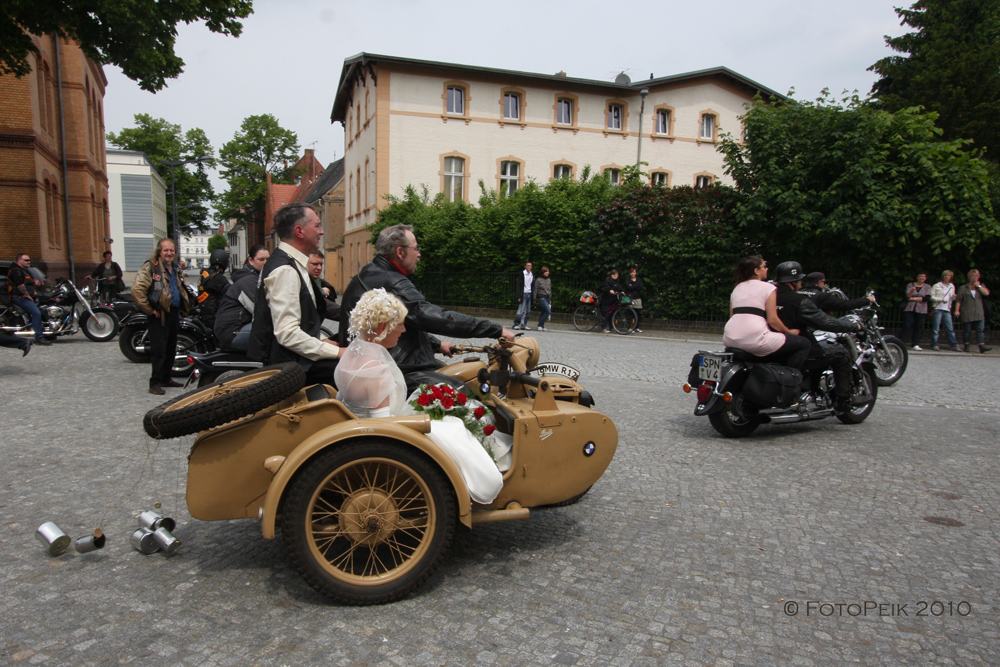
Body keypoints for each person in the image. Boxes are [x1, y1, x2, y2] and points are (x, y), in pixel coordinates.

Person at [335, 288, 503, 504]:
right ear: (382, 328)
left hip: (360, 426)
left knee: (449, 416)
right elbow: (384, 429)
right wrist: (422, 419)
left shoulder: (352, 353)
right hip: (383, 439)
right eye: (400, 324)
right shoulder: (374, 370)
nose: (404, 330)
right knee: (455, 427)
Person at [338, 224, 515, 395]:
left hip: (381, 361)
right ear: (400, 252)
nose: (419, 254)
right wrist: (495, 329)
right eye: (416, 248)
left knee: (459, 373)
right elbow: (435, 317)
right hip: (396, 366)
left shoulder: (370, 273)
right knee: (465, 395)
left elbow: (407, 322)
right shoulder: (392, 281)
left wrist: (437, 344)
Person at [248, 202, 342, 384]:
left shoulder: (291, 263)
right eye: (317, 225)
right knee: (360, 373)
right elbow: (287, 333)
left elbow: (302, 322)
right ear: (299, 231)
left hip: (293, 359)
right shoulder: (285, 270)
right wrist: (337, 352)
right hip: (288, 366)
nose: (321, 231)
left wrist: (321, 340)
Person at [773, 260, 868, 413]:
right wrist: (855, 326)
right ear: (795, 281)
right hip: (795, 347)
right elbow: (826, 322)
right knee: (841, 355)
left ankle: (813, 385)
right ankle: (844, 401)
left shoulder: (768, 297)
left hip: (771, 345)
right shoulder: (799, 301)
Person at [722, 256, 808, 368]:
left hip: (730, 338)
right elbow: (773, 321)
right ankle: (790, 379)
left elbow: (732, 316)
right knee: (804, 343)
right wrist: (789, 332)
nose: (767, 269)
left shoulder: (737, 288)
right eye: (764, 266)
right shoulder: (768, 287)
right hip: (755, 339)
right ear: (756, 271)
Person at [132, 239, 190, 394]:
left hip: (173, 313)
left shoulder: (175, 268)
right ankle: (155, 383)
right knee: (159, 350)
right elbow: (137, 290)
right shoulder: (152, 267)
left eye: (171, 250)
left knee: (171, 348)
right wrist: (150, 310)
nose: (169, 253)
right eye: (166, 250)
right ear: (159, 252)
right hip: (159, 315)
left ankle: (166, 378)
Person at [213, 247, 269, 352]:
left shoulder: (257, 278)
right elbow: (259, 310)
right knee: (273, 334)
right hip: (233, 331)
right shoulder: (248, 281)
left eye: (267, 259)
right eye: (261, 259)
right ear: (251, 261)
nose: (265, 263)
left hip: (238, 327)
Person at [6, 253, 51, 346]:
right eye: (26, 260)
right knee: (36, 313)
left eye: (29, 260)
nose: (28, 262)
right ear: (19, 260)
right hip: (19, 297)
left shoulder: (23, 270)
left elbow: (28, 285)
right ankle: (39, 337)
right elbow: (20, 286)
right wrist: (27, 295)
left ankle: (48, 332)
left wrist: (34, 296)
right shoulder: (16, 271)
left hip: (24, 296)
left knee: (42, 308)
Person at [954, 269, 992, 354]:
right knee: (967, 330)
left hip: (979, 311)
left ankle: (981, 345)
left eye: (976, 276)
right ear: (969, 277)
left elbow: (986, 293)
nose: (974, 278)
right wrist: (957, 310)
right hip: (967, 311)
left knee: (980, 329)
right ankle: (966, 344)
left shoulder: (981, 286)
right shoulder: (963, 288)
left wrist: (978, 286)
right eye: (973, 276)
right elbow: (959, 300)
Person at [799, 272, 874, 313]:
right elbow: (845, 305)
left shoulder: (799, 293)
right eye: (824, 282)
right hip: (816, 328)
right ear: (819, 282)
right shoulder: (822, 296)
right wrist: (866, 300)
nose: (824, 285)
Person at [196, 249, 231, 330]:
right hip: (213, 315)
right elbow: (231, 291)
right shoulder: (217, 278)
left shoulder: (205, 274)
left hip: (205, 313)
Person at [899, 270, 932, 350]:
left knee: (918, 326)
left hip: (921, 309)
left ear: (925, 278)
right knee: (907, 325)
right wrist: (911, 292)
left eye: (923, 276)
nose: (921, 278)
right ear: (917, 277)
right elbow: (907, 297)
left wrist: (913, 298)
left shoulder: (928, 287)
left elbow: (926, 298)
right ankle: (901, 342)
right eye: (920, 276)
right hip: (909, 308)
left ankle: (915, 343)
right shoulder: (910, 285)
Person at [929, 270, 960, 351]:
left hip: (947, 309)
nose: (947, 277)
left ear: (951, 277)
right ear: (943, 276)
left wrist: (954, 297)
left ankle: (953, 344)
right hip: (938, 308)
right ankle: (934, 343)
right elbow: (931, 297)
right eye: (945, 275)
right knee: (936, 328)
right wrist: (940, 299)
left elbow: (951, 298)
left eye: (949, 276)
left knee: (950, 328)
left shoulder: (951, 286)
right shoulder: (937, 285)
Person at [307, 251, 340, 321]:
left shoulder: (317, 280)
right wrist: (321, 291)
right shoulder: (302, 279)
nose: (319, 268)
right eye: (315, 264)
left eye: (321, 264)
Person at [599, 269, 624, 333]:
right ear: (611, 275)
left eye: (616, 274)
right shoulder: (608, 281)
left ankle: (612, 327)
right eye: (614, 274)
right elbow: (605, 287)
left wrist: (622, 292)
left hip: (614, 301)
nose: (615, 275)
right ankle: (604, 327)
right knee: (606, 314)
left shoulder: (618, 283)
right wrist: (610, 290)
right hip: (607, 300)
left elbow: (620, 289)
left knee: (612, 315)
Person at [513, 261, 535, 330]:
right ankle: (516, 324)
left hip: (529, 293)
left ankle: (524, 324)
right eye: (528, 265)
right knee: (521, 310)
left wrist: (533, 297)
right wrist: (519, 296)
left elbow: (532, 285)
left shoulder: (532, 275)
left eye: (530, 265)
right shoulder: (521, 274)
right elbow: (518, 286)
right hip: (523, 293)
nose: (529, 267)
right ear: (525, 266)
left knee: (527, 311)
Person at [623, 267, 644, 333]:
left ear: (636, 273)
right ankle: (629, 327)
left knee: (638, 313)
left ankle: (636, 327)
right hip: (630, 298)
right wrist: (635, 286)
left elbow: (640, 287)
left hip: (637, 298)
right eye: (631, 272)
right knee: (629, 313)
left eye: (634, 272)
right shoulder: (627, 280)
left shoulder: (639, 279)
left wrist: (633, 286)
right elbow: (629, 287)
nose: (632, 273)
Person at [535, 266, 552, 331]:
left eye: (548, 271)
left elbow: (550, 290)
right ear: (543, 272)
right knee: (548, 311)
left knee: (543, 311)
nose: (548, 273)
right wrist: (534, 298)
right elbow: (535, 289)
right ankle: (540, 324)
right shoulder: (539, 280)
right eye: (546, 271)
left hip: (547, 297)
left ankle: (542, 325)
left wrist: (550, 299)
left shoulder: (549, 280)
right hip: (541, 297)